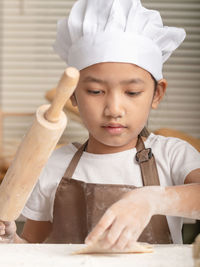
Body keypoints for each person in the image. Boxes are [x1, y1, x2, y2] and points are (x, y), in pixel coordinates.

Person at [0, 0, 200, 250]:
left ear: (157, 94)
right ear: (73, 95)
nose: (114, 109)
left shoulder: (172, 155)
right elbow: (32, 244)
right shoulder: (54, 164)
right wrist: (11, 240)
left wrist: (151, 199)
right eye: (95, 91)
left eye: (133, 92)